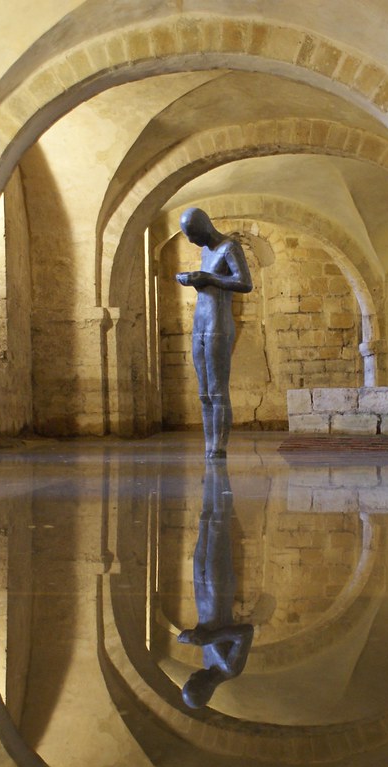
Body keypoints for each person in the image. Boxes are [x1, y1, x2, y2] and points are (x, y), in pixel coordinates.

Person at [176, 207, 253, 459]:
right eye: (188, 235)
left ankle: (218, 447)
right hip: (200, 321)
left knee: (217, 390)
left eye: (193, 234)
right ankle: (209, 443)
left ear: (206, 227)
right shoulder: (206, 251)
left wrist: (208, 278)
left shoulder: (229, 247)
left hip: (218, 323)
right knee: (204, 392)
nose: (191, 240)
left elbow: (245, 283)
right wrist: (196, 279)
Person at [177, 461, 254, 709]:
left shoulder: (206, 664)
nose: (192, 675)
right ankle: (219, 461)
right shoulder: (230, 669)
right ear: (205, 689)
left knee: (206, 518)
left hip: (202, 593)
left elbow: (203, 633)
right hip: (218, 590)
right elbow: (245, 633)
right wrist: (209, 637)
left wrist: (192, 636)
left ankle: (211, 460)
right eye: (193, 681)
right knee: (219, 521)